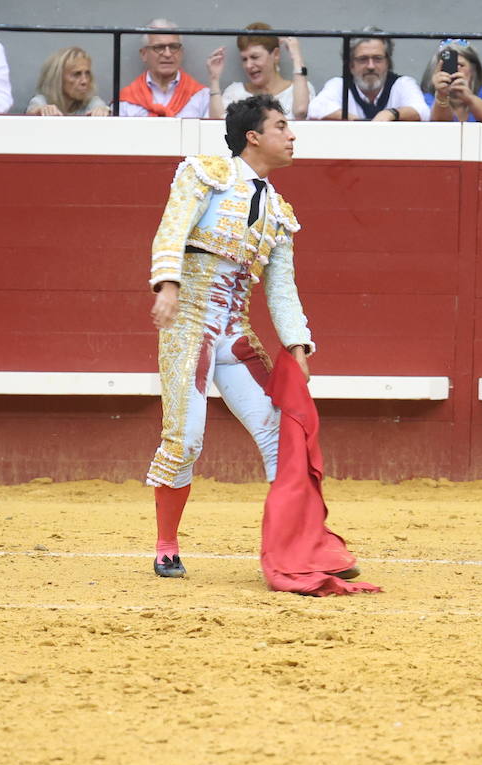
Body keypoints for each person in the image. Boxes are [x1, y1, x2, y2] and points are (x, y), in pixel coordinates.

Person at [145, 95, 314, 578]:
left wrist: (297, 343)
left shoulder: (279, 212)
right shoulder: (207, 174)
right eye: (282, 126)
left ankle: (291, 548)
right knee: (187, 437)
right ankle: (166, 544)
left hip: (233, 331)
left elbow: (281, 288)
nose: (292, 134)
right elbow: (172, 229)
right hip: (189, 324)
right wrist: (168, 285)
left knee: (281, 435)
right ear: (254, 136)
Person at [308, 30, 429, 121]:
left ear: (388, 63)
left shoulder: (402, 84)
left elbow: (422, 111)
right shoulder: (340, 84)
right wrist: (356, 122)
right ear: (351, 65)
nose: (370, 66)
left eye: (378, 58)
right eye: (363, 59)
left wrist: (391, 113)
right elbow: (315, 109)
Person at [206, 23, 313, 120]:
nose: (248, 65)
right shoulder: (235, 93)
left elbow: (301, 111)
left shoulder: (298, 90)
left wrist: (297, 58)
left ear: (275, 55)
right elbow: (216, 123)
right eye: (244, 59)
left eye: (255, 57)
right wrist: (214, 79)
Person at [119, 18, 210, 118]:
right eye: (159, 47)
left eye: (174, 47)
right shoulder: (125, 100)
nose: (167, 54)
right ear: (144, 54)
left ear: (181, 53)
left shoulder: (202, 96)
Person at [420, 39, 482, 123]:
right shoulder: (429, 97)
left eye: (460, 65)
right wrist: (441, 95)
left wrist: (468, 97)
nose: (455, 70)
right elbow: (441, 125)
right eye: (447, 66)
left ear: (473, 70)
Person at [26, 47, 109, 116]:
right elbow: (31, 113)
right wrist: (39, 113)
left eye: (87, 74)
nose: (84, 81)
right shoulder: (42, 101)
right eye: (76, 74)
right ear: (58, 78)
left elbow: (99, 107)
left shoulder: (93, 102)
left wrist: (103, 113)